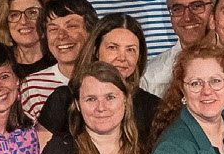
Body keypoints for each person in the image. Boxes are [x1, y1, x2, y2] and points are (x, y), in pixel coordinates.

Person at [33, 15, 161, 143]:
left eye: (130, 50)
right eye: (113, 47)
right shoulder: (63, 100)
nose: (122, 57)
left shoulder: (153, 107)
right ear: (95, 50)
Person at [141, 0, 216, 98]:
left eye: (197, 6)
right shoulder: (151, 75)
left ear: (214, 9)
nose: (187, 17)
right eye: (177, 9)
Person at [22, 0, 100, 118]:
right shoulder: (32, 87)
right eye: (53, 29)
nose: (62, 36)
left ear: (90, 31)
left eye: (71, 26)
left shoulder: (110, 79)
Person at [0, 0, 55, 111]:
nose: (24, 21)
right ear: (4, 22)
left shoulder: (60, 64)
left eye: (32, 12)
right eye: (14, 15)